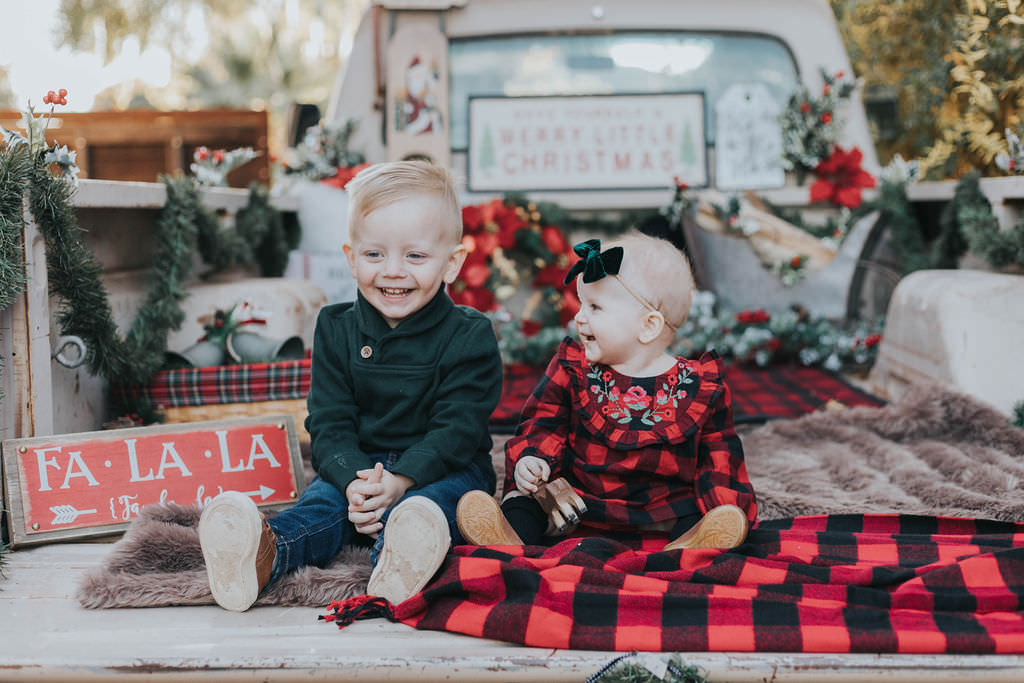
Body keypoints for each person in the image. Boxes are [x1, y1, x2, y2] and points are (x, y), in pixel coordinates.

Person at [199, 160, 503, 611]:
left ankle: (399, 564)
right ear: (350, 257)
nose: (393, 271)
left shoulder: (469, 335)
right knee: (320, 508)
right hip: (360, 464)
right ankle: (261, 553)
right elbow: (328, 420)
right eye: (374, 254)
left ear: (452, 263)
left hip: (445, 465)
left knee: (431, 507)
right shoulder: (336, 327)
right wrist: (352, 482)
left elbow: (457, 428)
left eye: (415, 256)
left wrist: (402, 480)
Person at [457, 232, 756, 550]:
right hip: (576, 506)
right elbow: (542, 423)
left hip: (662, 513)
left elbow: (719, 458)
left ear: (648, 326)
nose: (578, 317)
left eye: (595, 308)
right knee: (525, 500)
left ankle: (694, 542)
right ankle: (508, 537)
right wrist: (533, 459)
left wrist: (725, 505)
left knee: (700, 511)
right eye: (582, 304)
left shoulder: (698, 387)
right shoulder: (573, 369)